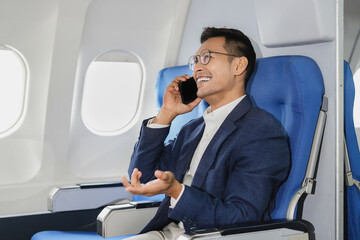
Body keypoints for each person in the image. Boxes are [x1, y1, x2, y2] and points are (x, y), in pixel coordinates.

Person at [121, 27, 290, 240]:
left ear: (239, 65)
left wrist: (176, 191)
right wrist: (165, 114)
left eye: (207, 58)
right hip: (168, 233)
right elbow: (142, 177)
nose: (197, 67)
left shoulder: (262, 132)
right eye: (196, 61)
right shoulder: (192, 129)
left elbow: (244, 217)